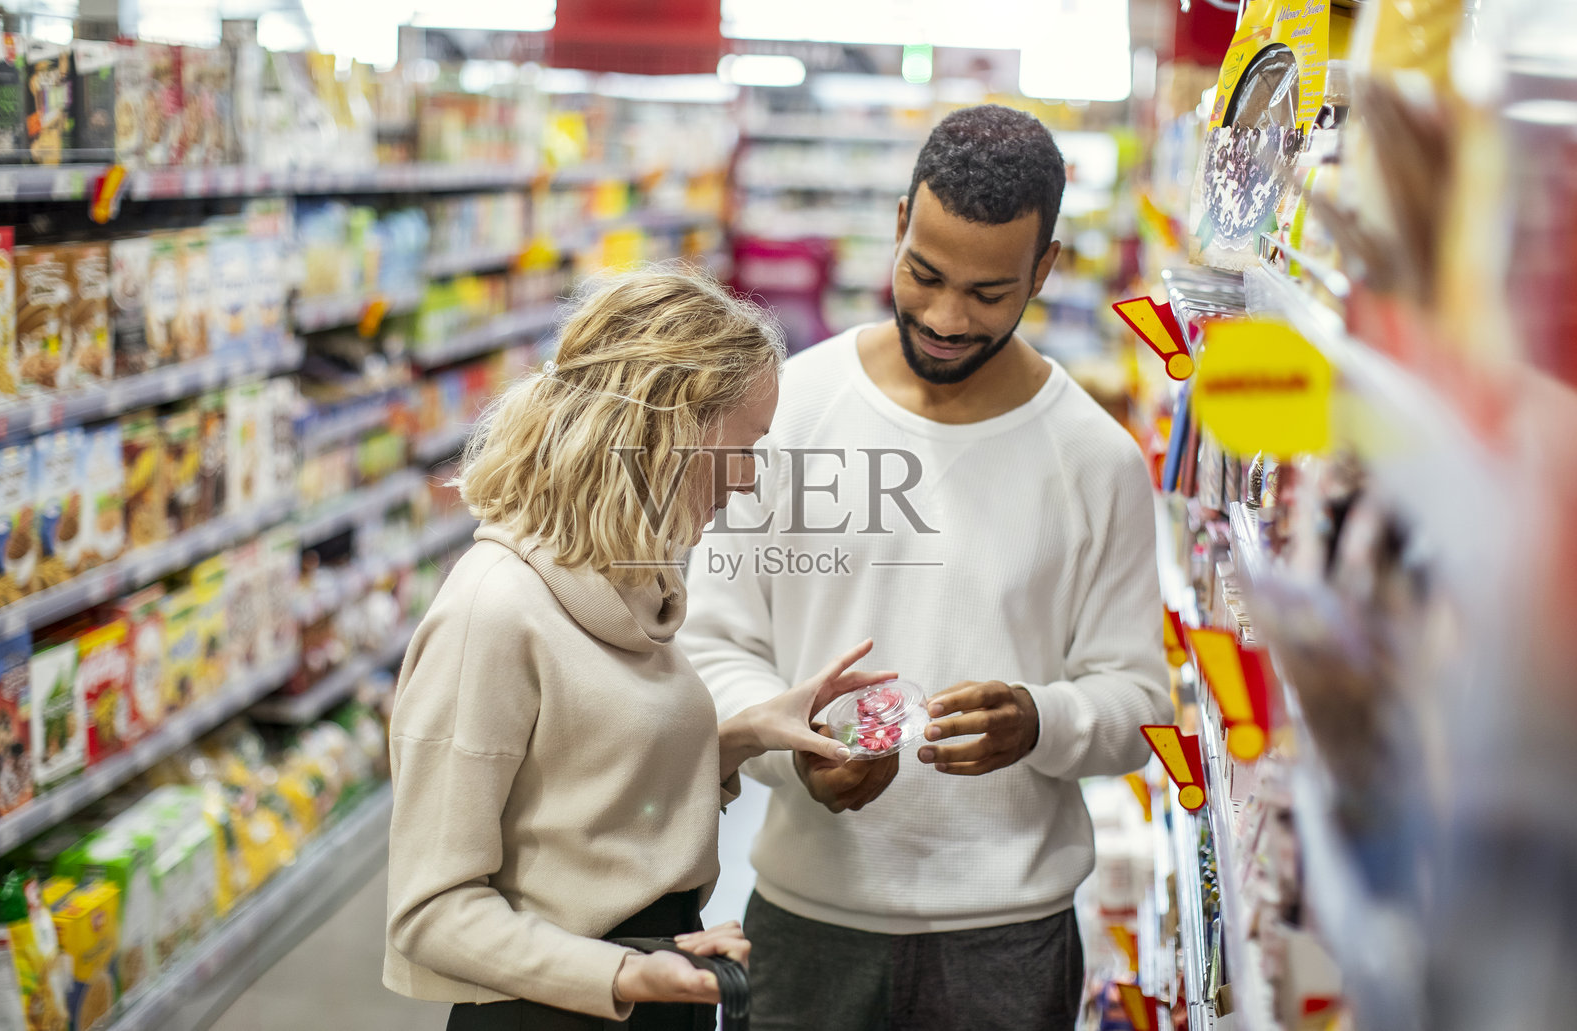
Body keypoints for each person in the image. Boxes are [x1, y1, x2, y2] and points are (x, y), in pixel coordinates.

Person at [679, 104, 1173, 1030]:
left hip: (1009, 941)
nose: (947, 319)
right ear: (901, 221)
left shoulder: (1094, 459)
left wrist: (1040, 719)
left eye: (988, 294)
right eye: (925, 274)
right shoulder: (791, 411)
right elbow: (713, 644)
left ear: (1044, 270)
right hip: (807, 923)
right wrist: (795, 747)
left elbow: (1139, 703)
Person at [383, 268, 895, 1031]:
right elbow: (431, 910)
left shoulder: (627, 578)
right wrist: (622, 969)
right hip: (550, 1013)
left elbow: (588, 790)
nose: (749, 480)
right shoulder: (492, 611)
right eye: (745, 447)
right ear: (669, 432)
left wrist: (750, 731)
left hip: (650, 984)